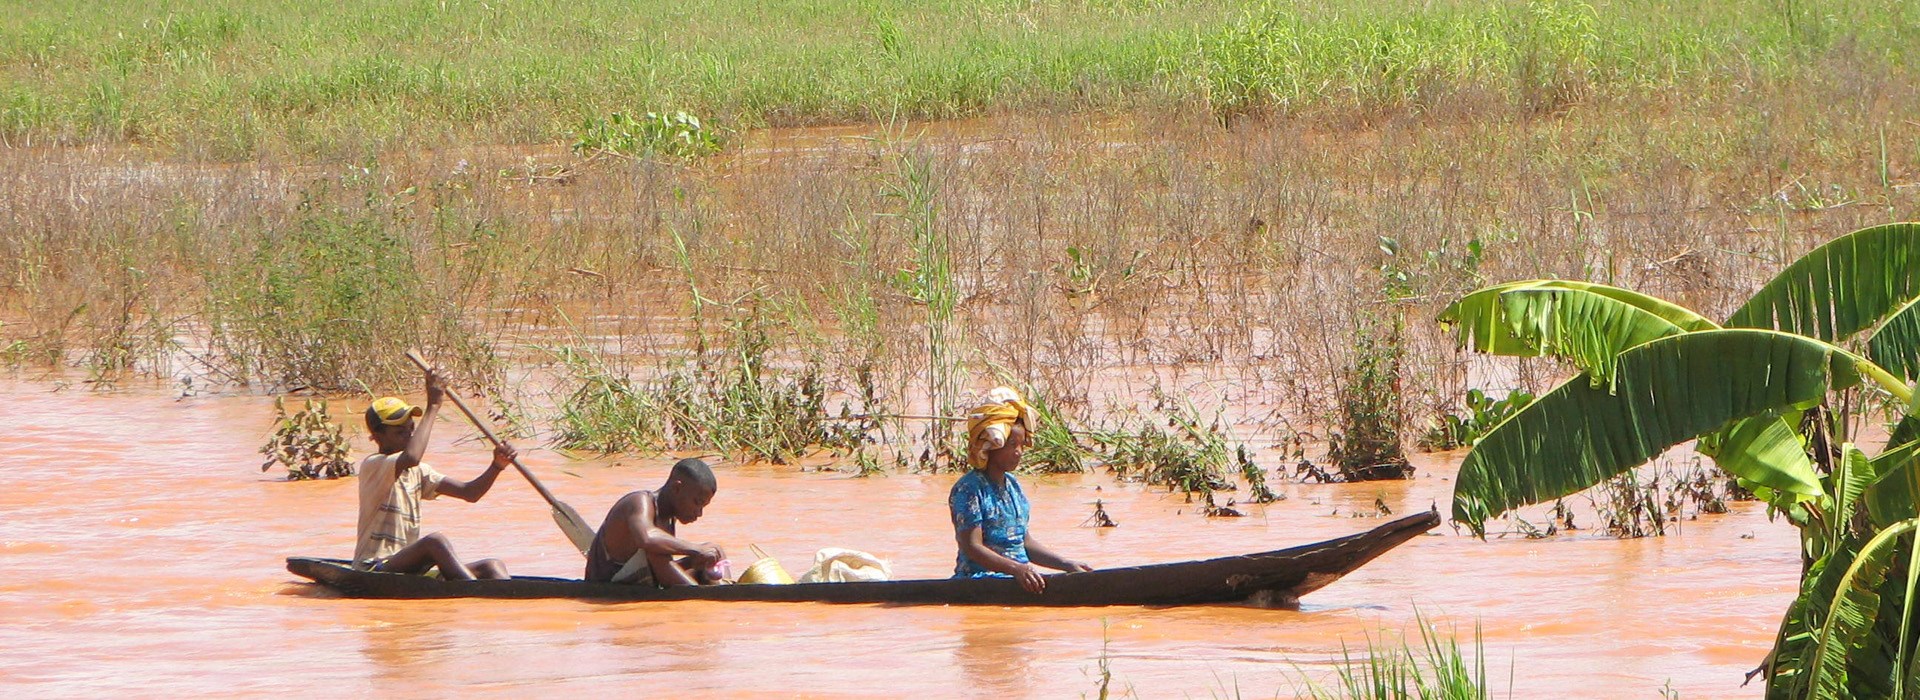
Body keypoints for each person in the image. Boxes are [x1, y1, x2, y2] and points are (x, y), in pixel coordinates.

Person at [353, 369, 512, 580]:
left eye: (411, 429)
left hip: (408, 567)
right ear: (377, 436)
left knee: (492, 566)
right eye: (400, 432)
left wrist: (497, 466)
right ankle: (472, 594)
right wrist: (434, 406)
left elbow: (470, 493)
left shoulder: (418, 472)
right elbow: (412, 457)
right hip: (374, 567)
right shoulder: (373, 465)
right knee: (435, 543)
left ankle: (501, 599)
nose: (410, 436)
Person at [950, 388, 1092, 594]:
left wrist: (1066, 565)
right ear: (992, 446)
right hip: (981, 581)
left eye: (1021, 445)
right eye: (1011, 445)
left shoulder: (1013, 485)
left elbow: (1023, 542)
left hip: (1021, 578)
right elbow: (972, 547)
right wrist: (1016, 569)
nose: (1018, 452)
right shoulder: (969, 488)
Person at [585, 458, 726, 587]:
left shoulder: (669, 519)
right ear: (677, 488)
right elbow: (647, 538)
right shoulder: (639, 501)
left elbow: (660, 570)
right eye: (697, 503)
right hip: (609, 584)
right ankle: (699, 595)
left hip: (641, 580)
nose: (699, 513)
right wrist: (696, 549)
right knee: (657, 549)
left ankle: (725, 586)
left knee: (714, 551)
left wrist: (698, 560)